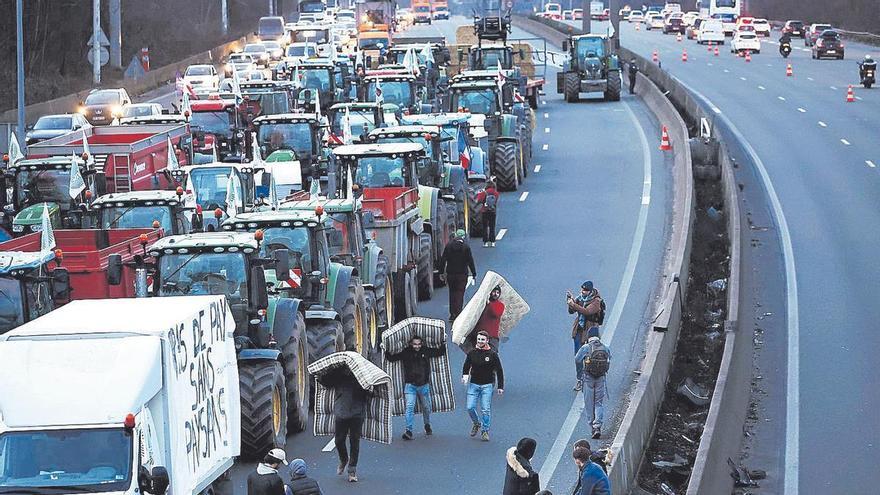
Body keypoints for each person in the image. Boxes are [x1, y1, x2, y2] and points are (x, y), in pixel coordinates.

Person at [384, 335, 447, 439]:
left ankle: (427, 425)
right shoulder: (406, 352)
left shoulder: (425, 351)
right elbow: (392, 358)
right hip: (410, 385)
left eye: (418, 344)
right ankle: (408, 431)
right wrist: (385, 349)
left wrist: (444, 342)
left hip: (424, 385)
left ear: (421, 344)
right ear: (411, 344)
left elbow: (440, 352)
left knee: (426, 407)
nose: (417, 346)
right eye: (415, 344)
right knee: (409, 407)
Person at [317, 366, 368, 482]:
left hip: (357, 412)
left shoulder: (362, 374)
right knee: (339, 440)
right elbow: (327, 383)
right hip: (341, 412)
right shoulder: (338, 374)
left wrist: (369, 389)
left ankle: (352, 470)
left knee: (354, 441)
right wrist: (320, 375)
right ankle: (344, 459)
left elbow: (369, 391)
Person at [462, 330, 504, 441]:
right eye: (479, 339)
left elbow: (499, 370)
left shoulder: (492, 354)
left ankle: (485, 431)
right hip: (474, 384)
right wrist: (465, 376)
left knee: (485, 409)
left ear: (487, 341)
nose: (480, 341)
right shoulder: (472, 353)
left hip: (487, 385)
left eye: (482, 339)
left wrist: (500, 386)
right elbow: (466, 366)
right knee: (470, 407)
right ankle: (476, 423)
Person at [567, 281, 604, 391]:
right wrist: (570, 302)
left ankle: (592, 376)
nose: (583, 292)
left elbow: (587, 311)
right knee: (578, 355)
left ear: (590, 291)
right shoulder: (580, 298)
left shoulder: (596, 301)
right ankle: (580, 379)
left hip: (590, 329)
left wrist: (575, 305)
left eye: (585, 290)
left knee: (591, 354)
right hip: (579, 328)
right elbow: (571, 311)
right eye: (582, 290)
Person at [575, 327, 611, 439]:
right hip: (601, 378)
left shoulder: (586, 347)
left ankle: (592, 428)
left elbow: (577, 359)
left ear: (588, 336)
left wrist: (580, 374)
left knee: (589, 403)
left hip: (588, 378)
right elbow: (609, 361)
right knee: (598, 403)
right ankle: (598, 426)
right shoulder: (605, 348)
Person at [439, 229, 477, 321]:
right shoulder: (466, 247)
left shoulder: (448, 246)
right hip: (462, 275)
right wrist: (474, 273)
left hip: (451, 274)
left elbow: (443, 260)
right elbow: (470, 261)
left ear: (455, 235)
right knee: (460, 294)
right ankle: (458, 313)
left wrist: (441, 272)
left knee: (452, 294)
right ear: (463, 236)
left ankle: (452, 314)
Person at [473, 285, 505, 351]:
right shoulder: (483, 303)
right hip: (479, 335)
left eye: (498, 292)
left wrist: (489, 304)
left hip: (491, 337)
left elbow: (496, 314)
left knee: (491, 357)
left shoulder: (500, 305)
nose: (496, 294)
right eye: (494, 292)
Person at [475, 180, 500, 247]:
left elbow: (479, 200)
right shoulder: (496, 193)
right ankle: (493, 242)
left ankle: (485, 242)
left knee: (485, 227)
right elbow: (496, 200)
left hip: (484, 211)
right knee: (492, 227)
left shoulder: (484, 193)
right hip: (493, 211)